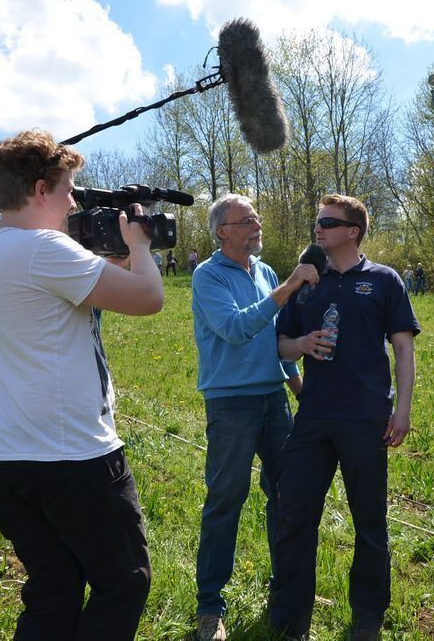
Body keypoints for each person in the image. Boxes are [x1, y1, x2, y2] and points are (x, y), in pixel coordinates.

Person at [0, 130, 163, 639]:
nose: (74, 199)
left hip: (7, 459)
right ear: (40, 190)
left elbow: (66, 297)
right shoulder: (45, 248)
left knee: (54, 591)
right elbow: (148, 298)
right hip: (73, 459)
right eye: (68, 188)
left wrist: (111, 259)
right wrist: (141, 245)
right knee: (124, 582)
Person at [270, 194, 419, 640]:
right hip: (313, 416)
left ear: (353, 231)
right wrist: (302, 345)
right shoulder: (307, 282)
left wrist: (404, 408)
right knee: (294, 513)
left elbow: (404, 349)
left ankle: (368, 615)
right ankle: (289, 618)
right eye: (317, 221)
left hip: (365, 416)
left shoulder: (384, 280)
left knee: (369, 520)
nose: (319, 229)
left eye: (329, 222)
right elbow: (281, 344)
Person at [190, 194, 318, 640]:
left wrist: (300, 389)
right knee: (226, 500)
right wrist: (287, 288)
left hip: (273, 399)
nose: (255, 224)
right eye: (246, 220)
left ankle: (284, 589)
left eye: (256, 217)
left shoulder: (262, 272)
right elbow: (238, 328)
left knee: (285, 494)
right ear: (222, 231)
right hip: (231, 404)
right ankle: (210, 606)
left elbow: (273, 341)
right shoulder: (207, 277)